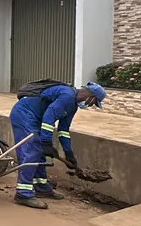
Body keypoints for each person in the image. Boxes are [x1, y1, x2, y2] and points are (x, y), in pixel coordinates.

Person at [9, 81, 107, 209]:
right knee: (32, 152)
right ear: (90, 95)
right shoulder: (66, 95)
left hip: (35, 118)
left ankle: (41, 186)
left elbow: (63, 130)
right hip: (24, 115)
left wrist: (69, 152)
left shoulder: (73, 106)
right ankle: (23, 194)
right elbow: (49, 118)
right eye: (93, 102)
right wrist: (46, 142)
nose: (91, 105)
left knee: (39, 153)